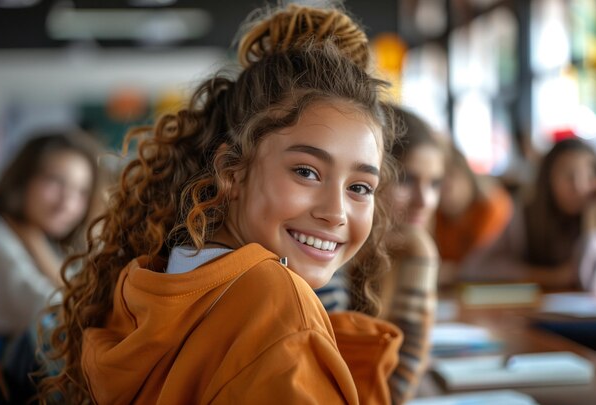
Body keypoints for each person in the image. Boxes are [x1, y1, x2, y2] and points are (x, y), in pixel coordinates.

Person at [40, 4, 403, 404]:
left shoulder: (153, 281)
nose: (335, 212)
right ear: (232, 172)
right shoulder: (278, 305)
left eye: (361, 188)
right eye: (306, 172)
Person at [317, 105, 443, 405]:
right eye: (407, 180)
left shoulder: (405, 250)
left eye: (435, 184)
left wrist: (421, 259)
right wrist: (423, 261)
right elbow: (385, 394)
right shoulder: (323, 251)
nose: (424, 201)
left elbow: (398, 384)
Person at [0, 130, 100, 345]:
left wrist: (36, 243)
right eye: (55, 181)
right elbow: (60, 312)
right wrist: (37, 246)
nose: (67, 203)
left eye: (81, 192)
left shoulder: (46, 240)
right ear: (23, 179)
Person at [461, 137, 596, 291]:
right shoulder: (524, 218)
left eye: (589, 175)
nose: (579, 186)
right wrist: (550, 277)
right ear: (547, 179)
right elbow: (474, 268)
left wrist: (590, 231)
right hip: (537, 309)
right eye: (568, 176)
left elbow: (588, 284)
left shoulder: (591, 218)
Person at [434, 144, 513, 287]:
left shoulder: (491, 206)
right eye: (437, 181)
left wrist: (453, 271)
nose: (446, 186)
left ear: (467, 175)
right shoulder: (436, 215)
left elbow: (481, 265)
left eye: (452, 175)